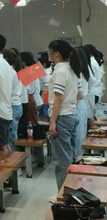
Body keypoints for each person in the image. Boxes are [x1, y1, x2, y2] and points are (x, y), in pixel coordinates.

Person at [47, 40, 81, 191]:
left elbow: (58, 98)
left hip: (62, 117)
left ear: (56, 53)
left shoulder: (60, 71)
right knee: (70, 156)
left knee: (61, 160)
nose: (48, 54)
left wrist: (53, 121)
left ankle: (63, 195)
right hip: (71, 115)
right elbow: (79, 95)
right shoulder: (72, 69)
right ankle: (70, 192)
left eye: (49, 51)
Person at [3, 48, 23, 152]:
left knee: (11, 138)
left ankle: (14, 158)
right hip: (17, 105)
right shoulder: (15, 71)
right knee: (12, 135)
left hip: (12, 106)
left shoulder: (9, 72)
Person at [73, 47, 91, 161]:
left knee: (77, 137)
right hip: (82, 104)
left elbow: (77, 95)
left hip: (77, 104)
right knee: (80, 135)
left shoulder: (78, 74)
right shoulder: (84, 72)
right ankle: (78, 158)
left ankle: (77, 160)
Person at [19, 51, 42, 137]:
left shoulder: (27, 72)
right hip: (37, 100)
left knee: (30, 127)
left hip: (31, 102)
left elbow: (26, 91)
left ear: (23, 62)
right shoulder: (34, 70)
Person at [86, 44, 105, 118]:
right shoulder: (94, 61)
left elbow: (90, 79)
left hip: (93, 91)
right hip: (96, 90)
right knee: (93, 113)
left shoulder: (91, 62)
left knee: (90, 115)